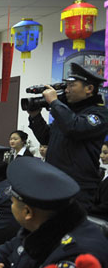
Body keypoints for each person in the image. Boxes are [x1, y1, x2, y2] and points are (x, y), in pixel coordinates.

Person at [0, 157, 108, 268]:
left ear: (27, 212)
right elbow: (8, 249)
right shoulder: (43, 224)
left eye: (12, 202)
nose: (10, 206)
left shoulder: (79, 251)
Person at [27, 62, 108, 209]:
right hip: (53, 181)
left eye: (71, 85)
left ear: (89, 89)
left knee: (71, 223)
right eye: (66, 85)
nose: (67, 90)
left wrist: (54, 102)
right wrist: (35, 116)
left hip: (77, 187)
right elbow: (47, 138)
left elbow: (74, 128)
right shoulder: (68, 113)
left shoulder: (99, 114)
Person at [89, 141, 108, 220]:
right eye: (101, 152)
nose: (101, 155)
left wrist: (87, 208)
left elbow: (105, 206)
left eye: (105, 153)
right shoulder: (101, 173)